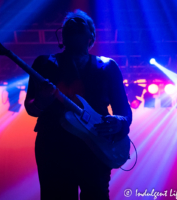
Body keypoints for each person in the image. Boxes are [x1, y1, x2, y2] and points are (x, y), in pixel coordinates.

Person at [24, 9, 132, 200]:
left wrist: (119, 122)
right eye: (69, 24)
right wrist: (42, 99)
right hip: (53, 147)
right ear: (62, 35)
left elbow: (124, 111)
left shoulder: (107, 66)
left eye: (81, 23)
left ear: (91, 37)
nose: (74, 22)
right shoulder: (44, 63)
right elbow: (31, 108)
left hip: (96, 148)